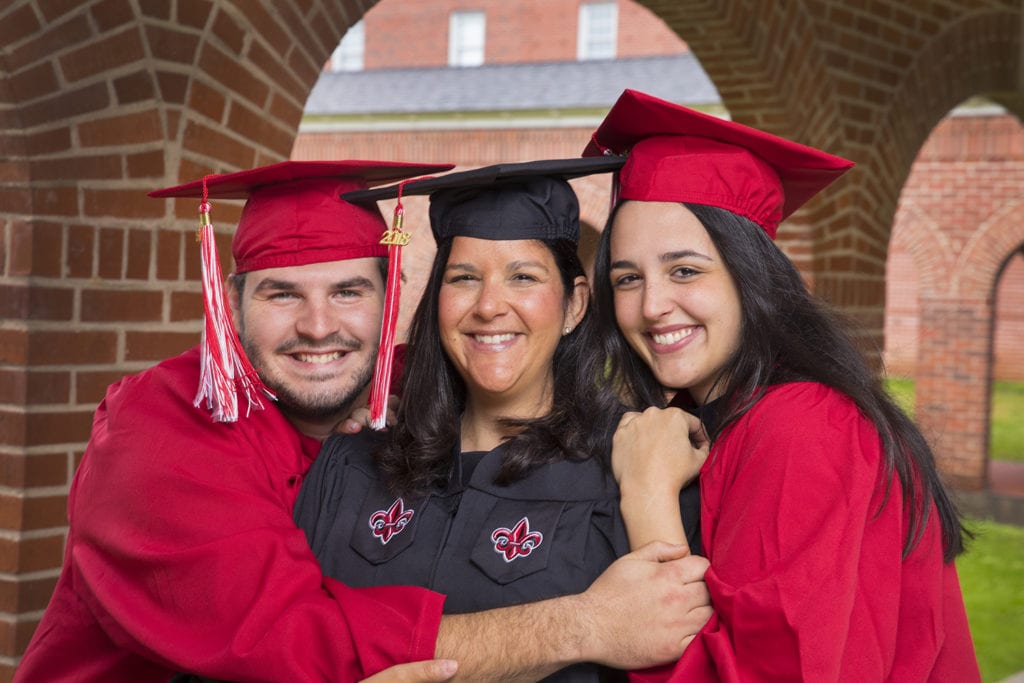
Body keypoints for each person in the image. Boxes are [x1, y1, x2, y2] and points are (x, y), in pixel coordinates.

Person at [16, 159, 713, 683]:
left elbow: (481, 347)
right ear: (229, 305)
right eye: (282, 293)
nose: (319, 328)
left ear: (389, 305)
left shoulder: (380, 400)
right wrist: (584, 623)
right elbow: (292, 643)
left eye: (348, 290)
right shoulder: (161, 432)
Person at [586, 89, 981, 681]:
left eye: (685, 270)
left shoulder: (802, 426)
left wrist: (646, 496)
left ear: (752, 277)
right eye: (626, 278)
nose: (652, 306)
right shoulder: (727, 413)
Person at [294, 157, 707, 682]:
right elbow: (283, 646)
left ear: (575, 305)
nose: (489, 306)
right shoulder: (354, 461)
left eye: (523, 276)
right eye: (464, 277)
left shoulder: (633, 475)